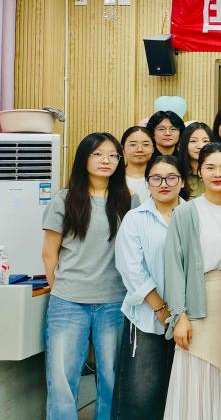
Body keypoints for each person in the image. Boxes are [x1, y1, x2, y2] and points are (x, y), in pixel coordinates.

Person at [41, 133, 132, 420]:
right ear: (84, 158)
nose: (107, 160)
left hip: (114, 302)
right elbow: (49, 253)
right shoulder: (64, 199)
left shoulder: (129, 200)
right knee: (62, 380)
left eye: (113, 155)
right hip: (68, 302)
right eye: (98, 154)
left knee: (112, 378)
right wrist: (62, 289)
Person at [162, 142, 221, 420]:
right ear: (199, 171)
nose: (217, 173)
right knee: (199, 370)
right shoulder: (186, 212)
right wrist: (179, 315)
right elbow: (174, 267)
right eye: (210, 167)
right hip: (200, 303)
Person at [112, 155, 188, 419]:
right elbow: (131, 269)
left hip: (189, 319)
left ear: (182, 182)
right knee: (142, 395)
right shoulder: (135, 218)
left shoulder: (193, 215)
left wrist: (181, 313)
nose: (163, 184)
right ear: (148, 183)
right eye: (156, 178)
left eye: (171, 177)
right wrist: (161, 309)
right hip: (147, 317)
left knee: (181, 393)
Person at [178, 122, 213, 197]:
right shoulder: (177, 172)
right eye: (193, 141)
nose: (200, 146)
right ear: (184, 144)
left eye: (205, 141)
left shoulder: (218, 173)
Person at [121, 125, 155, 200]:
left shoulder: (160, 178)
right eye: (133, 145)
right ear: (123, 149)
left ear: (153, 148)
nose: (139, 149)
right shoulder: (114, 177)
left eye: (145, 145)